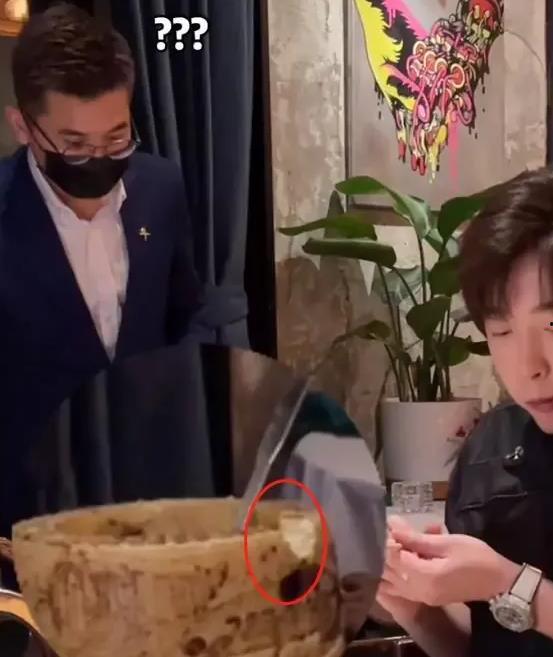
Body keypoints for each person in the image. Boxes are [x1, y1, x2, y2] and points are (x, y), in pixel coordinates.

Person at [0, 4, 217, 579]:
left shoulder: (160, 189)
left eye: (116, 137)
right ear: (22, 126)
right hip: (25, 530)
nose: (98, 159)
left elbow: (187, 313)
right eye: (74, 145)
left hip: (152, 515)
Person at [375, 167, 553, 657]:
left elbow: (505, 589)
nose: (529, 366)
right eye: (501, 332)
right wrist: (412, 604)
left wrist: (510, 584)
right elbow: (478, 646)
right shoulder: (489, 450)